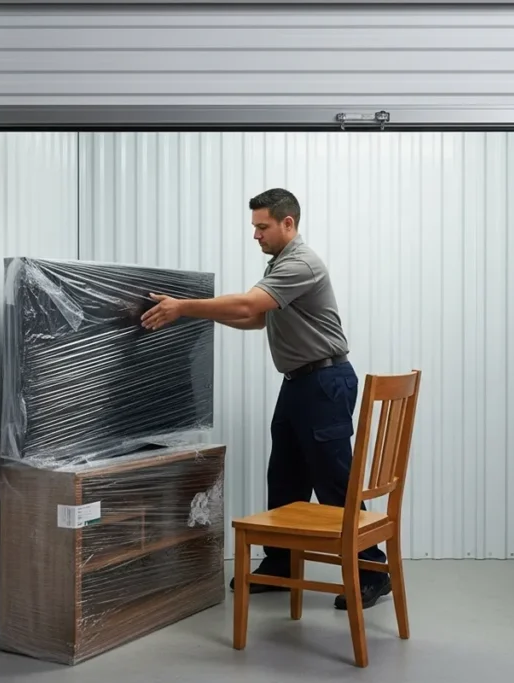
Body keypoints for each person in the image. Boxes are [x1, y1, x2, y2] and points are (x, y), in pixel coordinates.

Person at [140, 188, 391, 610]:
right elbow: (255, 318)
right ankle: (280, 566)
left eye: (262, 226)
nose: (255, 235)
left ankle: (372, 571)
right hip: (299, 383)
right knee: (286, 476)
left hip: (325, 382)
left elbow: (249, 304)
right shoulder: (280, 265)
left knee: (333, 478)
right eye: (254, 226)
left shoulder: (301, 264)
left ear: (287, 223)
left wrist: (183, 308)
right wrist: (195, 313)